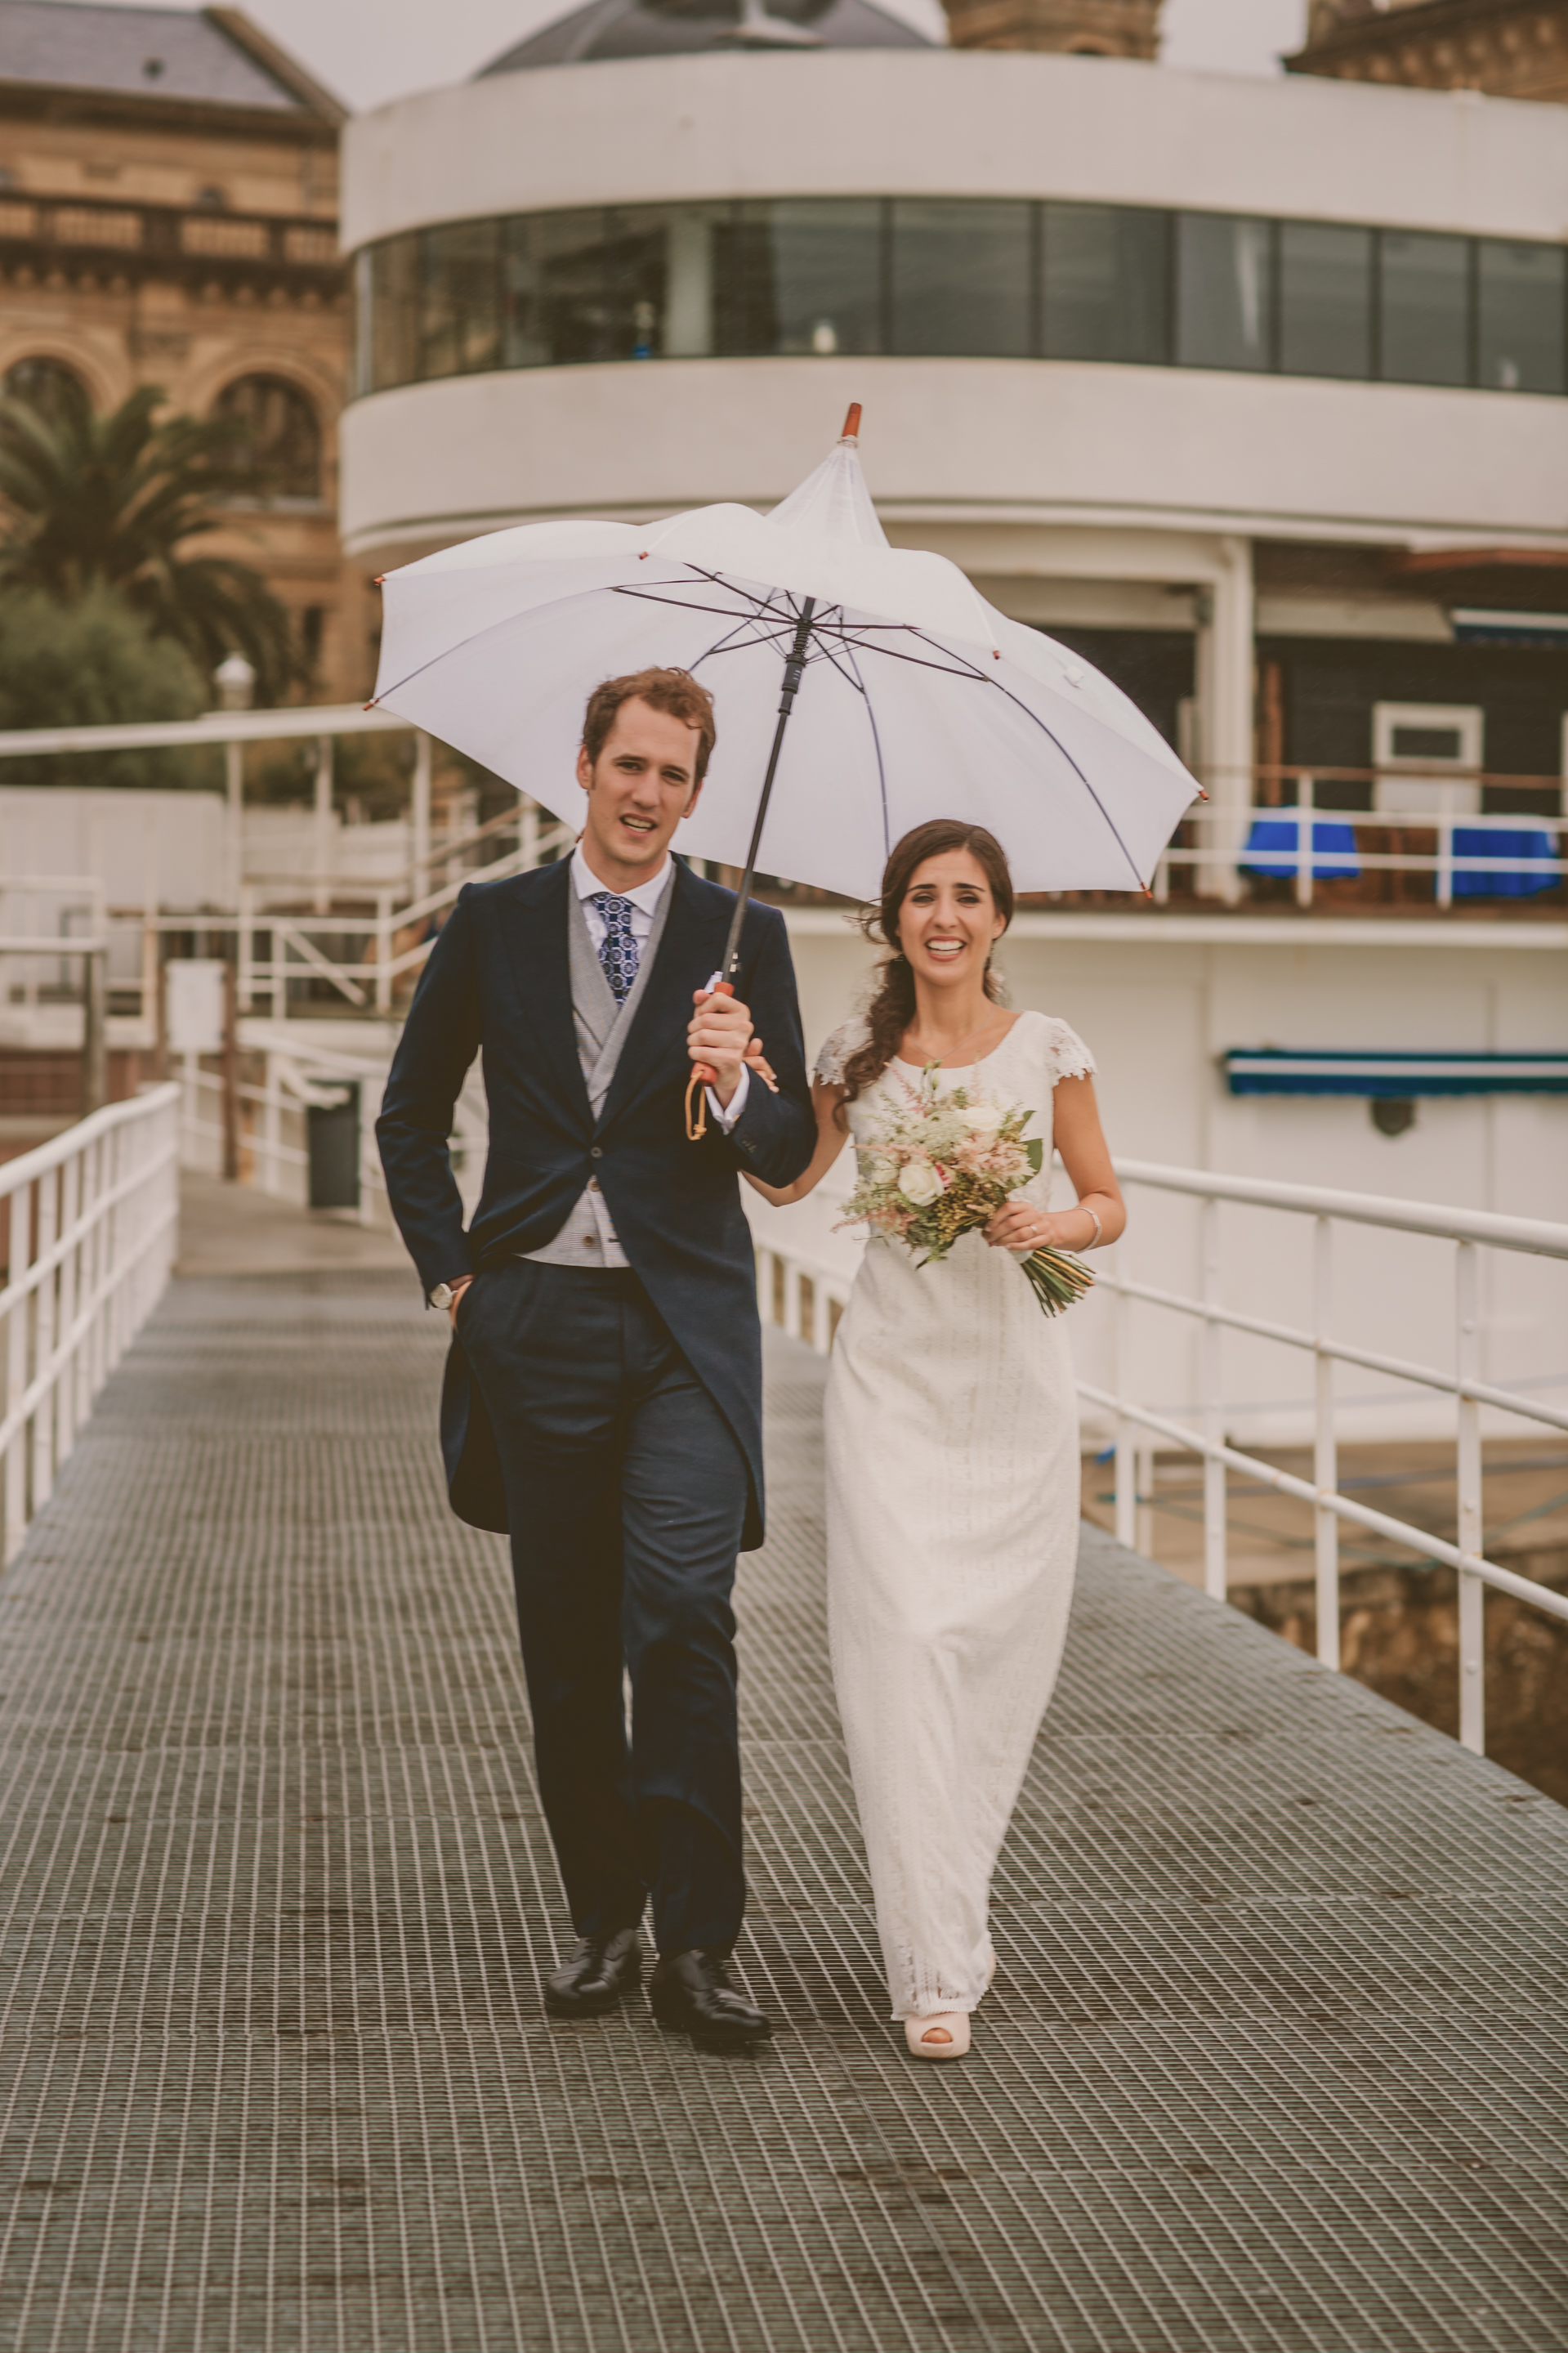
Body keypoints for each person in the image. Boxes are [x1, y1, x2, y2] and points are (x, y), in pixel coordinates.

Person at [377, 667, 817, 2052]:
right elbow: (405, 1114)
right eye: (629, 765)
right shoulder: (495, 919)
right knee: (567, 1643)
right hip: (537, 1322)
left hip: (686, 1330)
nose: (647, 795)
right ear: (584, 765)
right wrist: (457, 1272)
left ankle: (698, 1942)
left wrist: (738, 1079)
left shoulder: (746, 936)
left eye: (675, 776)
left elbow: (791, 1151)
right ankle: (603, 1921)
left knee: (682, 1617)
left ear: (698, 789)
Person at [746, 819, 1125, 2060]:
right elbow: (788, 1180)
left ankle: (951, 1907)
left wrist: (1051, 1223)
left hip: (1015, 1390)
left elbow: (1109, 1201)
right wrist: (724, 1071)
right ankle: (931, 1974)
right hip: (891, 1388)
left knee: (998, 1664)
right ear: (892, 919)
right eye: (921, 896)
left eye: (967, 896)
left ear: (999, 919)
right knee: (902, 1650)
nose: (943, 915)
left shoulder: (1050, 1051)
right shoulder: (856, 1054)